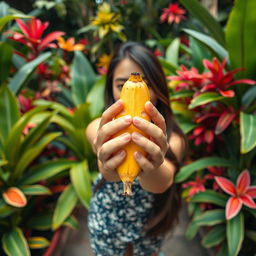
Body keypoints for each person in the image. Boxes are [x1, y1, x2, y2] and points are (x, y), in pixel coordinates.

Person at [86, 41, 188, 256]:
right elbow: (108, 172)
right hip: (106, 220)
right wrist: (108, 166)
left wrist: (152, 164)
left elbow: (161, 183)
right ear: (110, 88)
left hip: (150, 224)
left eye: (147, 84)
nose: (134, 93)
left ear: (159, 88)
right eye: (121, 85)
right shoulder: (98, 128)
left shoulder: (172, 139)